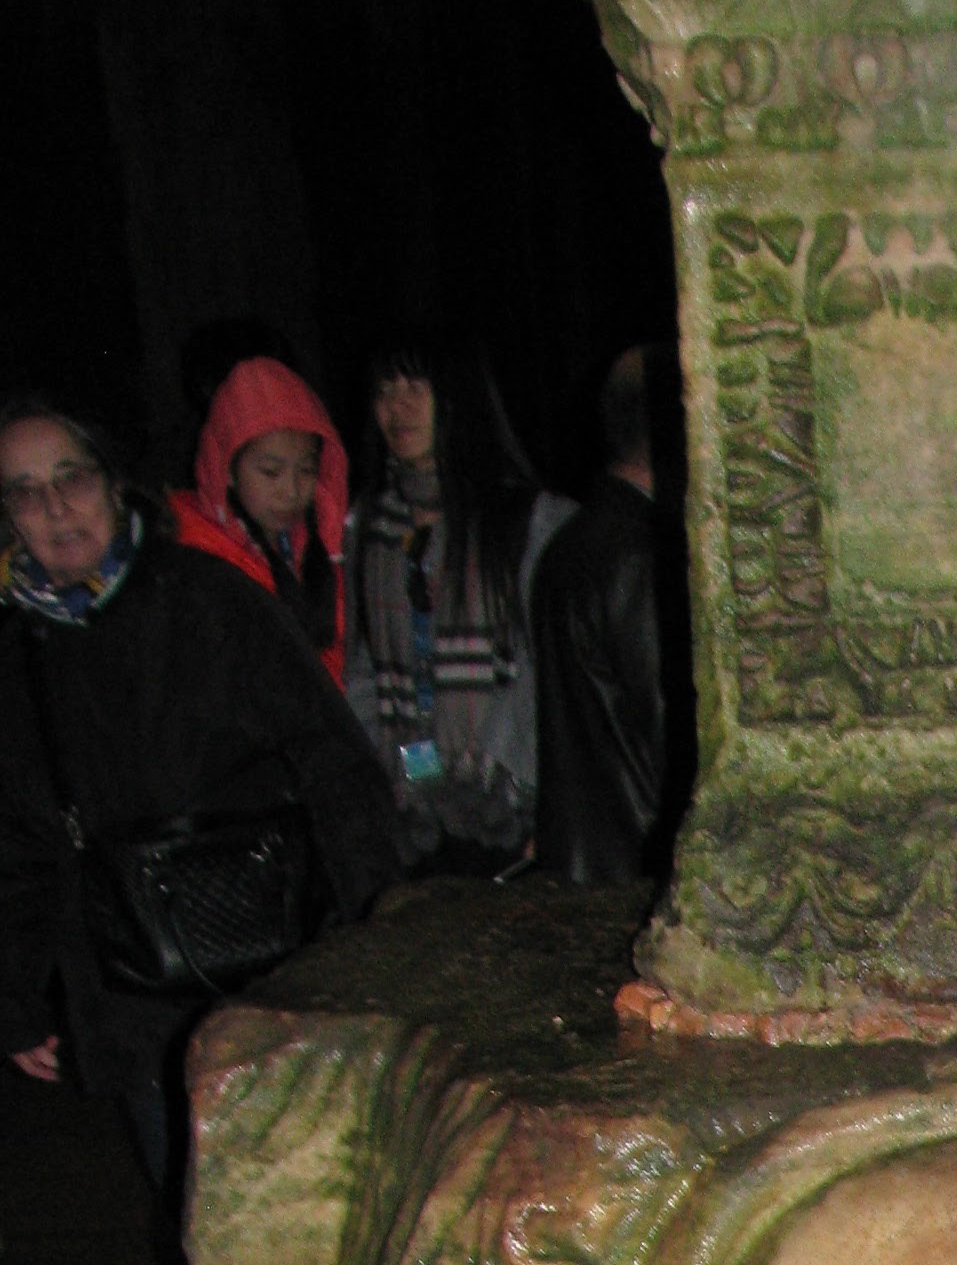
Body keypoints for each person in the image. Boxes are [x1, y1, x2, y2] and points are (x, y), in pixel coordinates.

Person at [0, 397, 398, 1183]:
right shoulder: (18, 655)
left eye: (71, 478)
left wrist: (379, 937)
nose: (54, 507)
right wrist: (19, 1000)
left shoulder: (208, 599)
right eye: (24, 489)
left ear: (115, 485)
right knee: (192, 1219)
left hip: (270, 983)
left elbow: (336, 767)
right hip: (134, 1000)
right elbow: (20, 842)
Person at [347, 342, 574, 873]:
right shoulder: (374, 528)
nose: (395, 408)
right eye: (384, 390)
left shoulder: (528, 523)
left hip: (514, 811)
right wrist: (389, 772)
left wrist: (548, 807)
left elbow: (553, 685)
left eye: (415, 388)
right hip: (413, 813)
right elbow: (365, 670)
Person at [531, 345, 697, 887]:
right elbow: (668, 726)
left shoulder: (570, 543)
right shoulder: (643, 553)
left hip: (584, 860)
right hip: (637, 866)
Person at [170, 354, 352, 686]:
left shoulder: (320, 549)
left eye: (307, 470)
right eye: (271, 472)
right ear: (226, 470)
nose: (291, 490)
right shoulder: (195, 557)